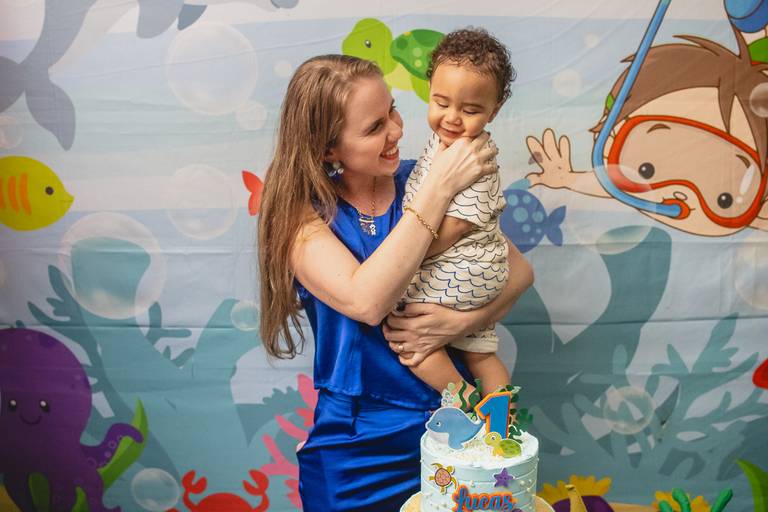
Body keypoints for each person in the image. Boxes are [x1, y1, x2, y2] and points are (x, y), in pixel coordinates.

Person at [258, 54, 533, 511]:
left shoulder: (420, 175)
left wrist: (460, 323)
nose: (397, 131)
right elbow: (366, 301)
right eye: (374, 128)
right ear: (328, 149)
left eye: (393, 111)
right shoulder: (302, 215)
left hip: (458, 430)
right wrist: (438, 190)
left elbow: (519, 271)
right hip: (359, 448)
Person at [399, 27, 516, 407]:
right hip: (472, 268)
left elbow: (459, 224)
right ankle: (502, 425)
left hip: (464, 268)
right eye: (441, 102)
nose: (452, 118)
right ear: (429, 90)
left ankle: (464, 400)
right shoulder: (443, 142)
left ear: (494, 110)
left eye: (470, 111)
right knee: (480, 354)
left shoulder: (474, 156)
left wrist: (408, 254)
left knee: (409, 335)